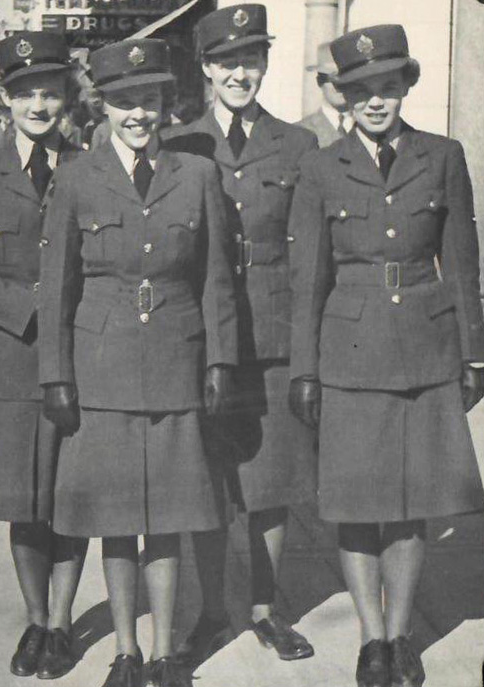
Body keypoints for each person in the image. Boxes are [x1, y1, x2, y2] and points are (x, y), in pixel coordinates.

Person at [288, 24, 484, 687]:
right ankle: (370, 638)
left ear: (406, 86)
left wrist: (473, 354)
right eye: (362, 90)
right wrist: (304, 368)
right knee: (354, 503)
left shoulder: (442, 155)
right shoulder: (319, 166)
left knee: (410, 502)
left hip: (425, 352)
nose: (376, 101)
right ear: (343, 98)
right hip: (347, 352)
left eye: (387, 86)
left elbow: (460, 263)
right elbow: (307, 278)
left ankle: (399, 635)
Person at [38, 38, 237, 687]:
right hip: (103, 368)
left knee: (170, 517)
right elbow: (56, 282)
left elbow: (215, 279)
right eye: (124, 102)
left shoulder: (196, 174)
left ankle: (163, 653)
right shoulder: (76, 177)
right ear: (106, 106)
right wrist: (56, 374)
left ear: (164, 103)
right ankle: (124, 651)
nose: (137, 114)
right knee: (117, 522)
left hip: (178, 362)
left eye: (147, 101)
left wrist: (220, 362)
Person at [165, 4, 318, 664]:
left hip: (274, 334)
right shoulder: (179, 142)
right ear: (205, 69)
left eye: (250, 59)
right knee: (206, 478)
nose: (239, 72)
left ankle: (263, 606)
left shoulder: (297, 144)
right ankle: (210, 610)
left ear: (264, 64)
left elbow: (312, 250)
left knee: (271, 480)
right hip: (199, 334)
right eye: (226, 61)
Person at [0, 32, 88, 679]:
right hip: (7, 362)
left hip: (82, 361)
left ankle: (62, 623)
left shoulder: (91, 166)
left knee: (71, 497)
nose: (39, 103)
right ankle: (35, 619)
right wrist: (27, 306)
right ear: (4, 99)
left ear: (66, 96)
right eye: (25, 91)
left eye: (51, 90)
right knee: (22, 501)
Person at [297, 41, 353, 147]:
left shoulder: (371, 128)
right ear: (320, 81)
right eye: (331, 79)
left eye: (345, 77)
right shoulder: (298, 132)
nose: (339, 85)